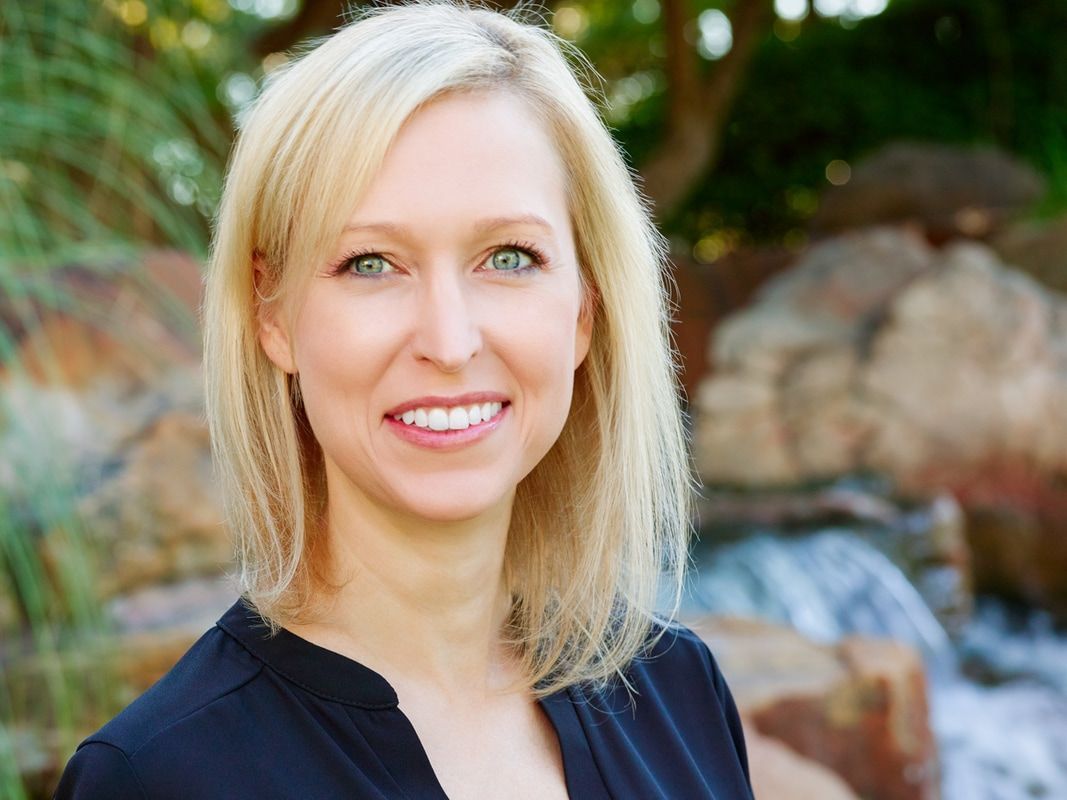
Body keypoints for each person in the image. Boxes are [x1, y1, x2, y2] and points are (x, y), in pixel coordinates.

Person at [54, 2, 753, 798]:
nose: (449, 343)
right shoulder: (159, 776)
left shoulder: (678, 695)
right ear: (272, 318)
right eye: (371, 264)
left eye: (509, 256)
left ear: (585, 311)